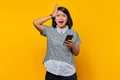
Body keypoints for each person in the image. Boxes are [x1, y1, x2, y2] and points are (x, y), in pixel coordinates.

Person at [33, 4, 81, 80]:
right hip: (52, 72)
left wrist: (72, 45)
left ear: (67, 18)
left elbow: (76, 53)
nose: (61, 18)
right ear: (55, 19)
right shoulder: (49, 30)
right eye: (58, 15)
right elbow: (36, 23)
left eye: (64, 16)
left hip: (68, 73)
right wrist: (51, 15)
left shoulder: (73, 33)